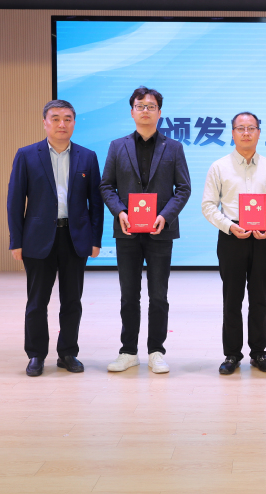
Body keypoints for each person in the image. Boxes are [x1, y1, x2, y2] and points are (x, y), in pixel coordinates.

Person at [7, 100, 103, 377]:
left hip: (75, 238)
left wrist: (95, 239)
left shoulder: (87, 156)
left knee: (72, 301)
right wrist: (16, 241)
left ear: (74, 122)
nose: (62, 124)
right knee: (37, 301)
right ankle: (36, 355)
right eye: (56, 118)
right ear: (45, 123)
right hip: (37, 239)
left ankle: (68, 353)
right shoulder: (27, 155)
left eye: (68, 119)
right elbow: (15, 201)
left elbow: (95, 203)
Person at [100, 86, 191, 374]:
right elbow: (106, 186)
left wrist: (165, 215)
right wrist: (120, 212)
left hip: (160, 231)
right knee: (129, 295)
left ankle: (156, 351)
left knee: (158, 295)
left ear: (159, 112)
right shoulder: (117, 146)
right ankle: (128, 351)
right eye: (140, 106)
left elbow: (183, 188)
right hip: (127, 231)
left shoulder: (173, 147)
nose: (145, 111)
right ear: (132, 112)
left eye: (151, 106)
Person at [201, 112, 266, 375]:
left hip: (264, 237)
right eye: (240, 128)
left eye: (251, 128)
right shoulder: (219, 167)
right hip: (232, 236)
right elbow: (208, 205)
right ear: (232, 133)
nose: (246, 133)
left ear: (259, 132)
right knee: (232, 298)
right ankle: (231, 354)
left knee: (259, 298)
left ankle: (259, 353)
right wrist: (229, 226)